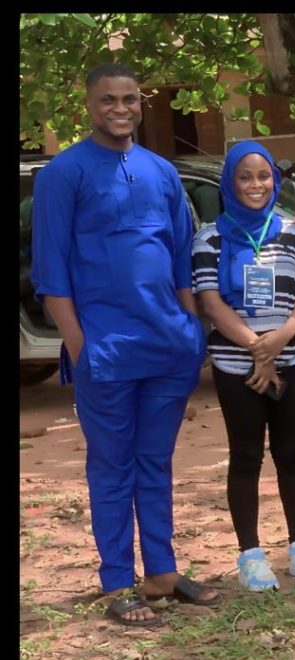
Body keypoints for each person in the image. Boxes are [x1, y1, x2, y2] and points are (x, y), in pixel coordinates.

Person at [30, 63, 217, 626]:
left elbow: (182, 260)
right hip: (105, 351)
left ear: (141, 103)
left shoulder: (162, 172)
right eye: (108, 99)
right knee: (111, 467)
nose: (120, 108)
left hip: (168, 347)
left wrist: (189, 331)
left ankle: (161, 570)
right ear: (89, 105)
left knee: (155, 462)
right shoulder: (63, 174)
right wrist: (81, 347)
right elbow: (50, 273)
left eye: (130, 99)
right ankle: (117, 581)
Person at [192, 141, 295, 591]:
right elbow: (210, 301)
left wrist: (283, 336)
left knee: (291, 455)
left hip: (294, 358)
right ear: (230, 182)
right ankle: (250, 554)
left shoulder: (293, 231)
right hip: (237, 365)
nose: (255, 184)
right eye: (244, 177)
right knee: (246, 456)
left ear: (276, 179)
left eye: (263, 175)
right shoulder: (209, 237)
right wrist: (256, 348)